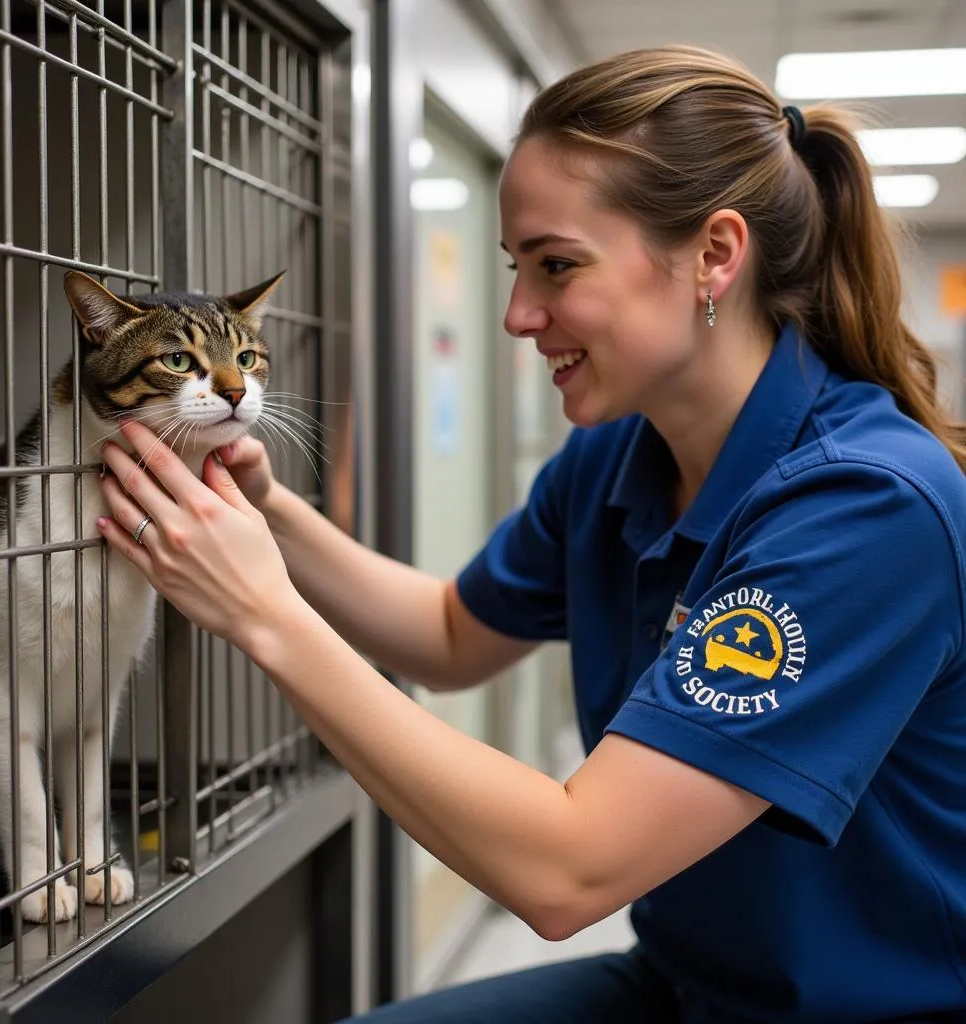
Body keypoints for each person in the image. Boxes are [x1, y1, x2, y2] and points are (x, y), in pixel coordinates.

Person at [96, 44, 966, 1023]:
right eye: (517, 270)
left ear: (715, 255)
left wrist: (261, 614)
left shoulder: (867, 507)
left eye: (556, 266)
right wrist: (270, 516)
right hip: (688, 984)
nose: (516, 315)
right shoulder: (615, 458)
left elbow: (568, 870)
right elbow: (450, 635)